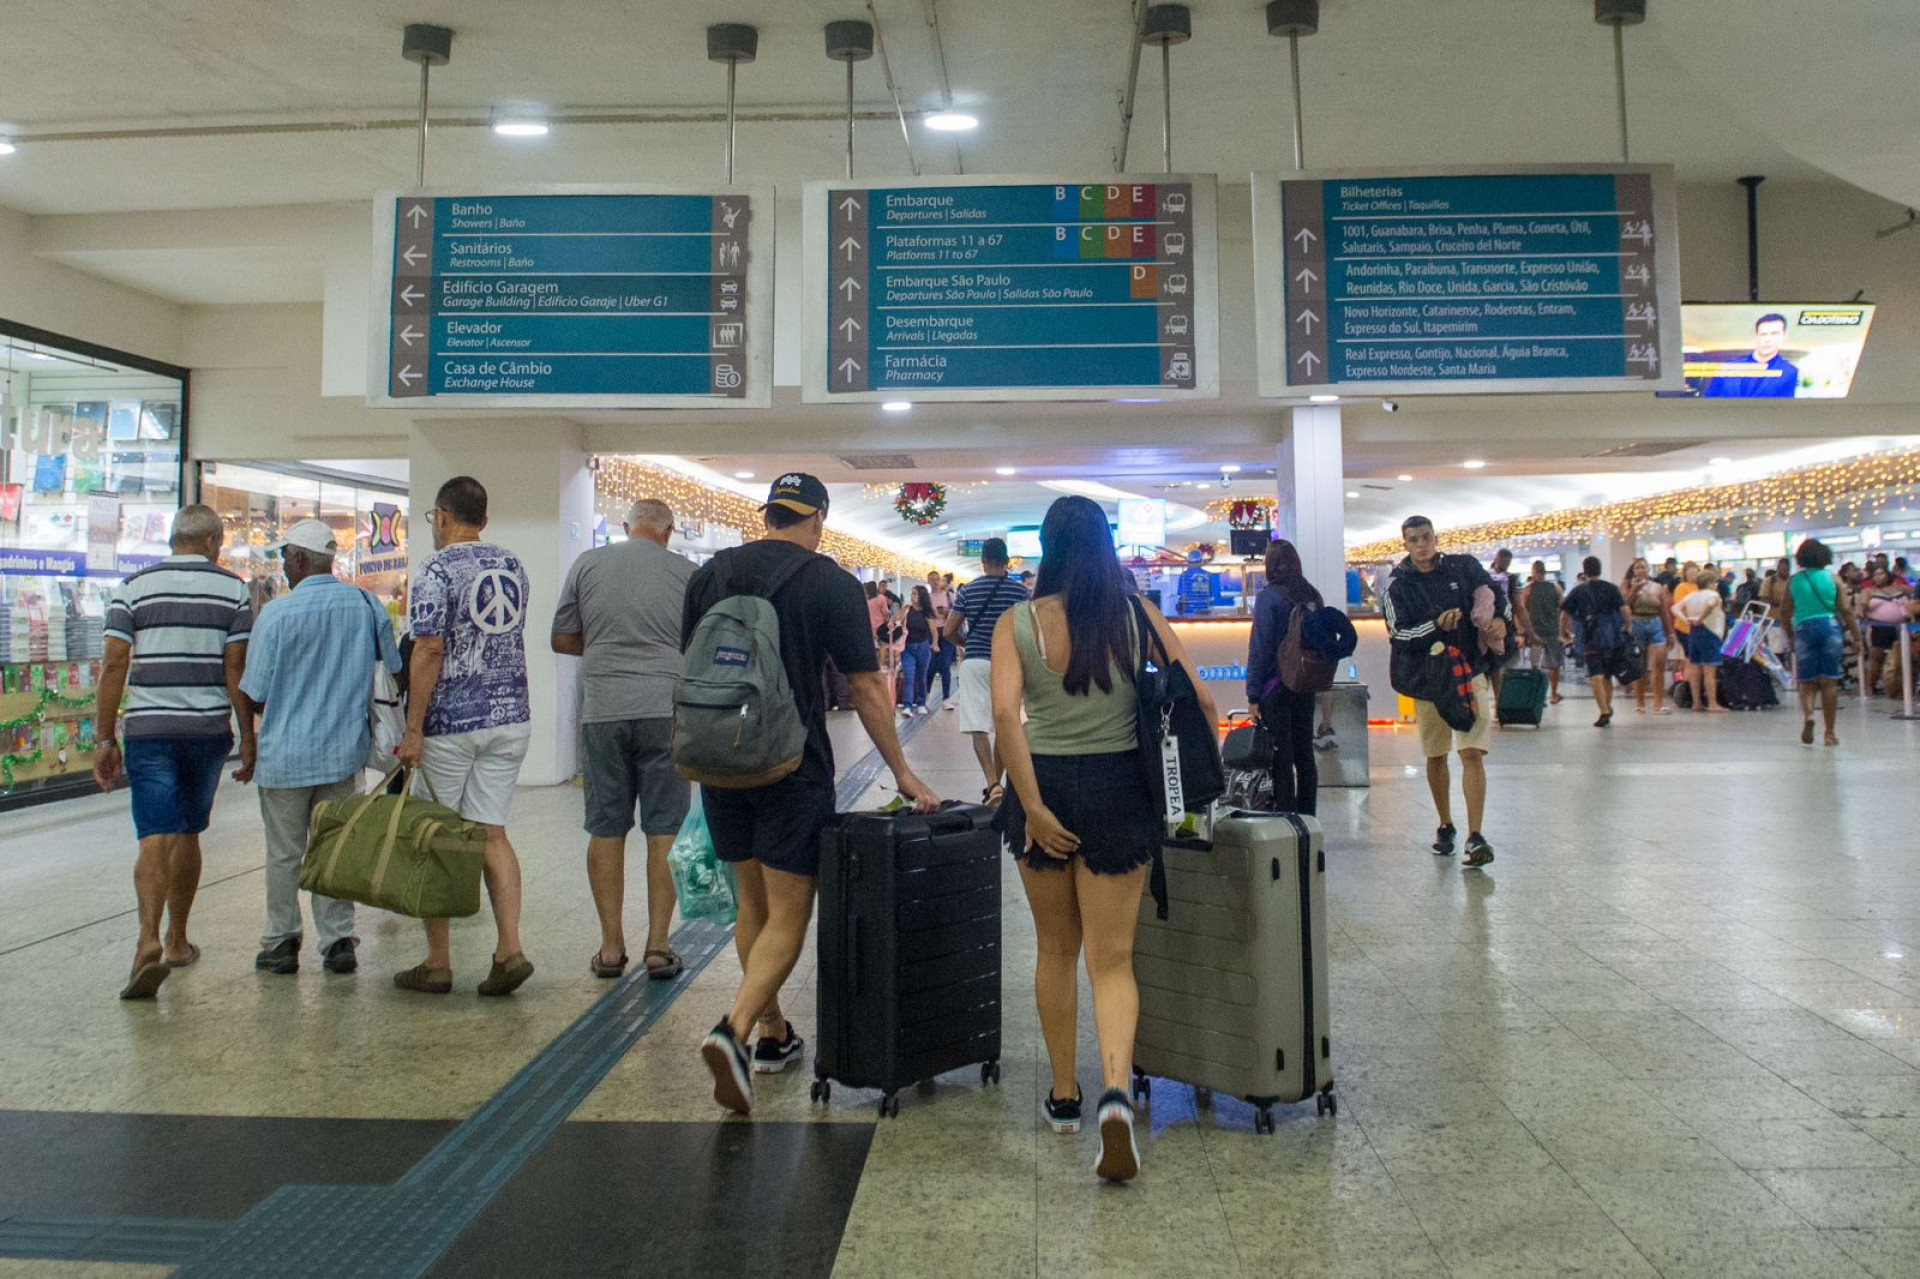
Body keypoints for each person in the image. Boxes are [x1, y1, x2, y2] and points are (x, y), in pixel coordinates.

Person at [691, 474, 940, 1115]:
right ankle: (737, 1026)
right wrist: (904, 773)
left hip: (719, 759)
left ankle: (773, 1035)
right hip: (790, 766)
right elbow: (863, 686)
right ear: (819, 519)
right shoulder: (827, 580)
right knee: (789, 911)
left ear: (768, 514)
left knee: (752, 905)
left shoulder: (712, 573)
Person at [992, 495, 1215, 1182]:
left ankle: (1065, 1097)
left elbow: (1006, 715)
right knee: (1113, 962)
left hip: (1046, 788)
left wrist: (1030, 804)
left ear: (1050, 546)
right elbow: (1199, 699)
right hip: (1122, 790)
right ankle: (1116, 1092)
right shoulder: (1137, 614)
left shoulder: (1018, 621)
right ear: (1105, 547)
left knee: (1056, 949)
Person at [94, 504, 253, 999]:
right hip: (206, 730)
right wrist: (249, 736)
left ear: (172, 540)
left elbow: (115, 661)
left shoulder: (132, 588)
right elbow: (235, 669)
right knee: (188, 831)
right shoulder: (233, 589)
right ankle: (178, 940)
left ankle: (146, 940)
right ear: (213, 542)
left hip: (150, 729)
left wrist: (104, 737)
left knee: (154, 835)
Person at [237, 519, 401, 978]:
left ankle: (281, 942)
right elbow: (394, 670)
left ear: (303, 559)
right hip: (343, 753)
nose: (284, 566)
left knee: (285, 853)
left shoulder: (276, 615)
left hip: (285, 758)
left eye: (286, 556)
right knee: (335, 849)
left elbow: (256, 690)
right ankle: (338, 943)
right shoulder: (366, 606)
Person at [394, 476, 536, 997]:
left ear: (444, 517)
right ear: (485, 520)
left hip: (452, 725)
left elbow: (428, 649)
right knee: (491, 833)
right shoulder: (513, 566)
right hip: (510, 716)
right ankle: (510, 949)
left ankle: (437, 961)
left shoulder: (435, 570)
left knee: (439, 836)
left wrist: (413, 729)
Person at [551, 499, 695, 981]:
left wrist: (608, 647)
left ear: (625, 527)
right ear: (668, 532)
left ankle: (611, 947)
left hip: (604, 709)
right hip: (665, 709)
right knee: (664, 828)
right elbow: (698, 642)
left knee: (606, 826)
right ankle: (658, 944)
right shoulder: (687, 573)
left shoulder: (588, 563)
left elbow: (562, 637)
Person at [1383, 516, 1506, 869]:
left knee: (1472, 753)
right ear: (1405, 544)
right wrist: (1435, 625)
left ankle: (1476, 834)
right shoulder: (1398, 585)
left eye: (1426, 537)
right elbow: (1399, 634)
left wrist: (1502, 622)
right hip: (1429, 679)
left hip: (1469, 673)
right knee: (1435, 754)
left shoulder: (1463, 568)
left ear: (1436, 538)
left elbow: (1494, 595)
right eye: (1414, 540)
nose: (1422, 545)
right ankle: (1445, 823)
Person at [945, 538, 1030, 806]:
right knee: (1006, 723)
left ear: (983, 562)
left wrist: (966, 644)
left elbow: (948, 630)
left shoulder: (968, 591)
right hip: (1008, 664)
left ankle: (992, 783)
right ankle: (997, 784)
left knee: (977, 726)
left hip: (976, 661)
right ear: (1007, 563)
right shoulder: (1020, 593)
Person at [1244, 539, 1323, 815]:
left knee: (1281, 756)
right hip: (1305, 683)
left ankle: (1286, 815)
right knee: (1305, 754)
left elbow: (1261, 647)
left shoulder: (1269, 598)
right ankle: (1308, 815)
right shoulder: (1311, 595)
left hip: (1275, 688)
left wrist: (1253, 694)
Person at [1780, 538, 1855, 746]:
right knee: (1829, 681)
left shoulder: (1794, 580)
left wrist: (1790, 636)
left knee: (1807, 680)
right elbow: (1846, 610)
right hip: (1829, 627)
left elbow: (1785, 612)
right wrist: (1857, 638)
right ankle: (1830, 732)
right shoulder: (1833, 579)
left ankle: (1810, 716)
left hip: (1804, 629)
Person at [1561, 557, 1631, 727]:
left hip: (1589, 636)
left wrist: (1563, 631)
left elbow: (1565, 614)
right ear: (1600, 569)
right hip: (1611, 637)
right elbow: (1624, 609)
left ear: (1584, 571)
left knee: (1596, 675)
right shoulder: (1611, 588)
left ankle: (1604, 710)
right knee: (1607, 675)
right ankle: (1607, 706)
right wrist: (1627, 626)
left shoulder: (1579, 591)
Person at [1703, 312, 1799, 398]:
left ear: (1784, 336)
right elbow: (1710, 400)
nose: (1768, 339)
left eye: (1774, 334)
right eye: (1763, 334)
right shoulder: (1728, 367)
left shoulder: (1790, 372)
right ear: (1756, 336)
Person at [1621, 557, 1673, 714]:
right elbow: (1624, 606)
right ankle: (1640, 702)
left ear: (1648, 569)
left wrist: (1669, 632)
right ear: (1633, 570)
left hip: (1655, 623)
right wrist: (1634, 590)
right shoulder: (1627, 585)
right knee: (1639, 667)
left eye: (1644, 567)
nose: (1641, 570)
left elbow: (1664, 611)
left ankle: (1658, 703)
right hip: (1637, 623)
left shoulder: (1658, 587)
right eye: (1638, 567)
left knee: (1658, 665)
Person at [1674, 566, 1728, 714]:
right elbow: (1711, 604)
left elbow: (1675, 609)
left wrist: (1686, 620)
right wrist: (1701, 618)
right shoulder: (1714, 595)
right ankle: (1712, 703)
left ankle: (1696, 702)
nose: (1716, 585)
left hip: (1693, 632)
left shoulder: (1691, 596)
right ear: (1710, 582)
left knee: (1695, 668)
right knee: (1709, 669)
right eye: (1715, 582)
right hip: (1710, 632)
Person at [1516, 560, 1567, 706]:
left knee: (1535, 665)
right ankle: (1553, 694)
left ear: (1533, 571)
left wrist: (1521, 630)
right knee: (1554, 665)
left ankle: (1537, 697)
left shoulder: (1528, 590)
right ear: (1545, 571)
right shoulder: (1556, 588)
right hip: (1552, 631)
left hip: (1535, 632)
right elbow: (1563, 606)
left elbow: (1521, 610)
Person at [1862, 566, 1911, 697]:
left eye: (1881, 574)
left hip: (1901, 627)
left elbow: (1911, 598)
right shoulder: (1869, 591)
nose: (1877, 577)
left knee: (1900, 658)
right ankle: (1870, 686)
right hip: (1878, 628)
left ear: (1888, 575)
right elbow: (1862, 606)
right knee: (1876, 658)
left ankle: (1899, 687)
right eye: (1875, 575)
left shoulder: (1899, 588)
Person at [893, 584, 941, 717]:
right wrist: (894, 621)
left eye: (915, 593)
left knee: (921, 676)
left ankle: (921, 703)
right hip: (908, 648)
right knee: (909, 676)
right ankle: (908, 705)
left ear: (921, 596)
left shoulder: (926, 612)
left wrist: (935, 644)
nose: (912, 596)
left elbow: (933, 630)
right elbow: (895, 620)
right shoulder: (907, 609)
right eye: (912, 593)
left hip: (923, 647)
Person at [926, 570, 957, 709]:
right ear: (928, 581)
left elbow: (959, 613)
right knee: (930, 665)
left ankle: (946, 697)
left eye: (937, 578)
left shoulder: (950, 596)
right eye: (931, 579)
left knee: (945, 666)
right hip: (931, 632)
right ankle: (925, 695)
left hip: (946, 631)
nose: (935, 581)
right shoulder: (926, 598)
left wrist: (947, 612)